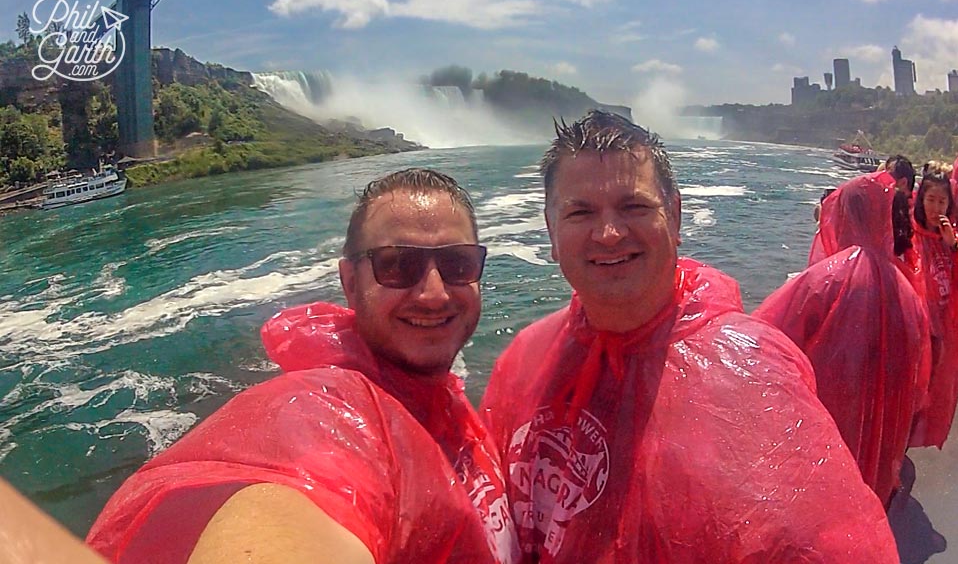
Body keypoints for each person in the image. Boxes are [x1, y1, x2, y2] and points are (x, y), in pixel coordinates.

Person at [480, 111, 899, 562]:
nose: (608, 234)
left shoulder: (755, 368)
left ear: (674, 215)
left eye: (634, 207)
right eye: (580, 212)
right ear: (550, 232)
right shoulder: (524, 359)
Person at [87, 169, 519, 564]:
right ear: (350, 282)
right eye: (398, 265)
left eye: (457, 263)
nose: (434, 292)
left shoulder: (444, 402)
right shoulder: (327, 411)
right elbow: (288, 498)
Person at [754, 171, 931, 507]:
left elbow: (764, 338)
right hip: (886, 433)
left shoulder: (825, 277)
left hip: (829, 418)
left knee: (823, 503)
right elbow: (920, 375)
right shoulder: (906, 288)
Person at [909, 163, 958, 449]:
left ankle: (907, 445)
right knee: (910, 390)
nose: (936, 207)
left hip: (942, 333)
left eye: (942, 201)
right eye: (931, 199)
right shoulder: (907, 236)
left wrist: (953, 248)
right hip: (915, 331)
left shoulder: (954, 242)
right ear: (920, 199)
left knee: (931, 391)